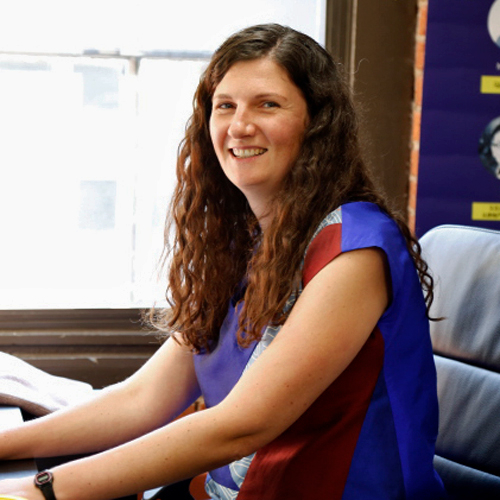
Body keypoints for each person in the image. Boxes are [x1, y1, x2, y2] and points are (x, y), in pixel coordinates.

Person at [0, 24, 448, 500]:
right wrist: (6, 445)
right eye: (225, 105)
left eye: (267, 104)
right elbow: (142, 400)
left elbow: (241, 427)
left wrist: (41, 491)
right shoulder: (245, 244)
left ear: (318, 124)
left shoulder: (356, 249)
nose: (239, 125)